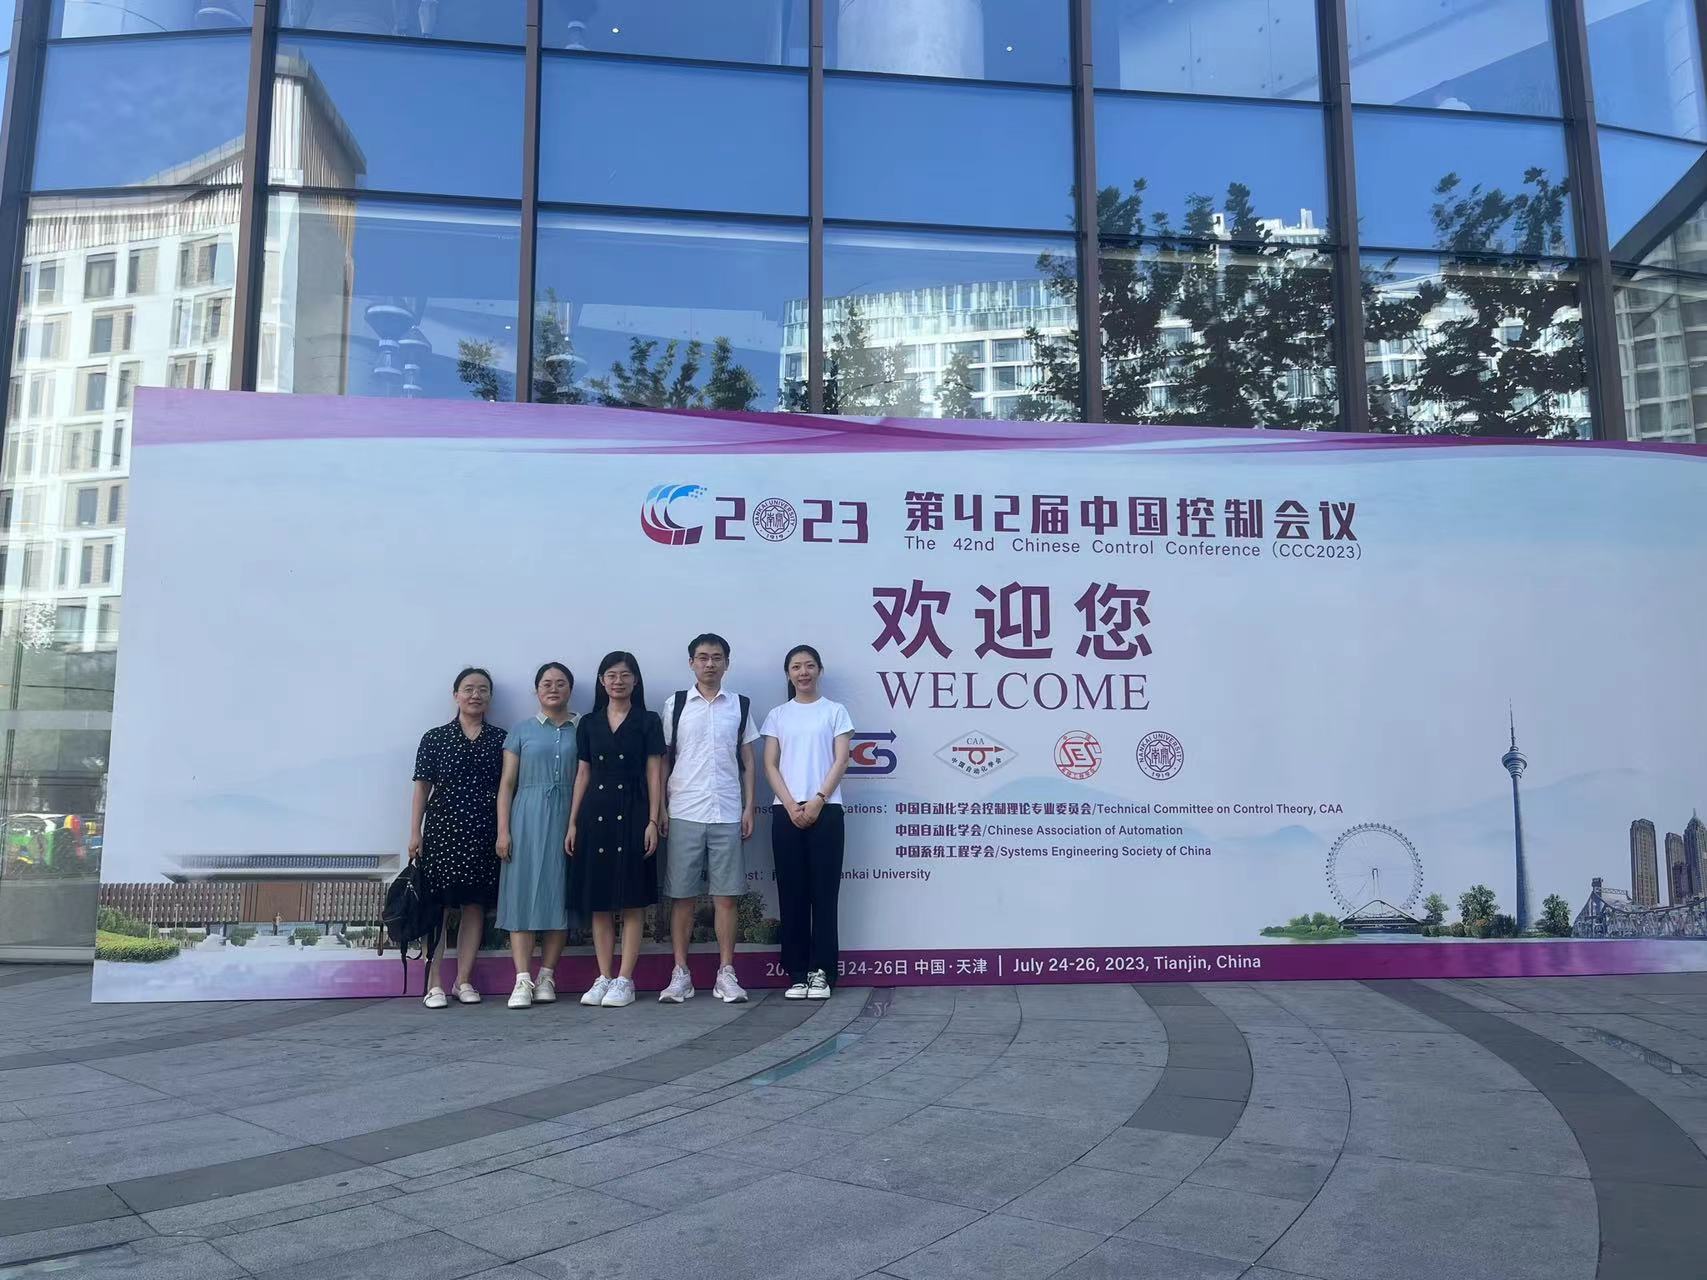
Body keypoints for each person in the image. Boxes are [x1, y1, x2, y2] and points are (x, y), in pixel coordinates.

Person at [657, 633, 758, 1004]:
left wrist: (749, 807)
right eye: (702, 657)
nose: (710, 664)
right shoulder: (676, 704)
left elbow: (748, 762)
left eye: (717, 657)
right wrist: (661, 808)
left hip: (727, 811)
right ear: (691, 663)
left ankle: (726, 973)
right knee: (682, 897)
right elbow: (663, 759)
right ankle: (680, 973)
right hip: (684, 809)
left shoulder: (740, 705)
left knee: (726, 897)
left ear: (727, 663)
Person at [567, 652, 665, 1008]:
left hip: (635, 810)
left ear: (636, 681)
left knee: (633, 900)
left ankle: (625, 979)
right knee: (600, 902)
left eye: (625, 675)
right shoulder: (588, 723)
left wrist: (653, 819)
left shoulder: (648, 720)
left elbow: (654, 772)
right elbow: (583, 773)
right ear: (601, 681)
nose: (618, 681)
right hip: (595, 812)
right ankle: (604, 976)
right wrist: (572, 822)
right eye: (611, 675)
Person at [410, 667, 506, 1009]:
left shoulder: (501, 739)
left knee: (474, 906)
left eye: (483, 689)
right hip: (442, 830)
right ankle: (433, 983)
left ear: (490, 697)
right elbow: (422, 788)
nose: (475, 695)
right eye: (468, 688)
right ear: (456, 695)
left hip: (484, 832)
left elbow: (507, 789)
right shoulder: (434, 738)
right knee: (438, 907)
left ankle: (463, 980)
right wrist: (415, 832)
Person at [761, 645, 852, 1000]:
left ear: (819, 670)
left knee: (824, 895)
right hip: (786, 812)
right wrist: (790, 804)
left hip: (826, 811)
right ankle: (798, 973)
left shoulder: (835, 711)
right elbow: (770, 764)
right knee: (792, 893)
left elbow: (841, 760)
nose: (803, 672)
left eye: (810, 666)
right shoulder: (778, 715)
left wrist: (817, 800)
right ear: (788, 674)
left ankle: (823, 971)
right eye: (796, 667)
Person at [496, 662, 577, 1010]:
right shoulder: (521, 730)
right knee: (521, 893)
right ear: (536, 690)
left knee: (559, 894)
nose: (553, 689)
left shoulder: (582, 728)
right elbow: (506, 785)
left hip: (568, 817)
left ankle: (547, 976)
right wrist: (503, 830)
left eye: (560, 683)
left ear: (570, 689)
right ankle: (521, 979)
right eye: (546, 683)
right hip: (526, 817)